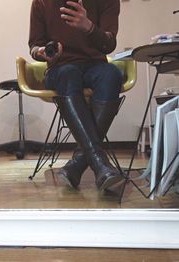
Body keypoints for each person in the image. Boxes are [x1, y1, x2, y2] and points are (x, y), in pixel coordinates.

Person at [29, 0, 124, 190]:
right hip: (59, 68)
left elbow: (109, 44)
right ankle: (100, 164)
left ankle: (75, 166)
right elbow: (34, 46)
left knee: (112, 74)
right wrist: (42, 52)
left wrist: (88, 26)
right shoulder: (41, 2)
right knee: (68, 72)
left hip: (95, 66)